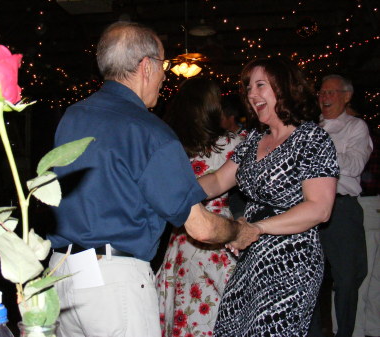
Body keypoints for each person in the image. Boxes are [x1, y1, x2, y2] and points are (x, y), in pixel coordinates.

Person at [47, 21, 259, 337]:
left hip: (60, 277)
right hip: (113, 283)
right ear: (146, 66)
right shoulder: (150, 131)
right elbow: (199, 226)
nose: (164, 75)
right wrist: (236, 231)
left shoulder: (73, 116)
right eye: (164, 65)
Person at [198, 56, 340, 336]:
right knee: (230, 328)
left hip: (291, 258)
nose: (252, 94)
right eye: (249, 87)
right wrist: (171, 190)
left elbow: (319, 209)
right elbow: (217, 180)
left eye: (260, 85)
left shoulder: (313, 139)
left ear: (285, 88)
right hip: (251, 255)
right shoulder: (253, 138)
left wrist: (258, 228)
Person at [156, 78, 243, 336]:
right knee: (217, 313)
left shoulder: (171, 146)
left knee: (181, 311)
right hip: (220, 233)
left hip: (181, 235)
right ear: (212, 106)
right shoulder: (231, 144)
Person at [308, 74, 373, 337]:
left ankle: (344, 332)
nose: (324, 97)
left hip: (341, 210)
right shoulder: (308, 127)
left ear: (347, 96)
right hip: (309, 208)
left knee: (347, 279)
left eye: (331, 92)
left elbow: (355, 166)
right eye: (322, 92)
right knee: (308, 278)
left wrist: (319, 147)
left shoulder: (356, 127)